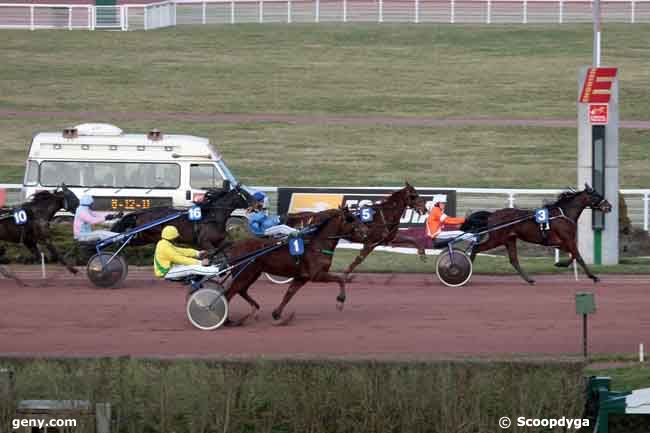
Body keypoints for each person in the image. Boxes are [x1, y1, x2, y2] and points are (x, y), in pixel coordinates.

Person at [154, 225, 221, 280]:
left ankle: (214, 267)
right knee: (191, 268)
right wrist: (200, 262)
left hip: (170, 268)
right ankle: (218, 270)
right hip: (165, 272)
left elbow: (182, 251)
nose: (176, 239)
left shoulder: (164, 243)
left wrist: (197, 253)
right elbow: (180, 259)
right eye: (175, 237)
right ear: (172, 237)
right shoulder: (164, 247)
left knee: (190, 265)